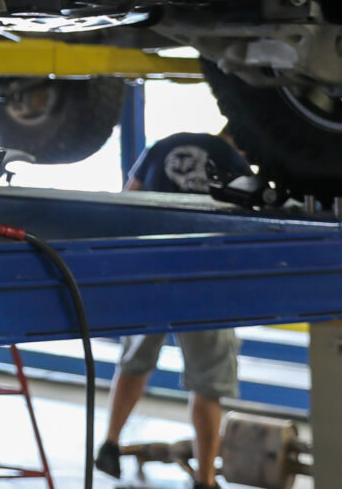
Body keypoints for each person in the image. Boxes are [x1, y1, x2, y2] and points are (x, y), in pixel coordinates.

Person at [96, 130, 253, 486]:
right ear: (238, 142)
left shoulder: (162, 147)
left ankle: (110, 442)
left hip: (152, 269)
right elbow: (251, 214)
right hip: (204, 280)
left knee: (135, 360)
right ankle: (206, 478)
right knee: (208, 381)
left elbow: (128, 199)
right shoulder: (232, 159)